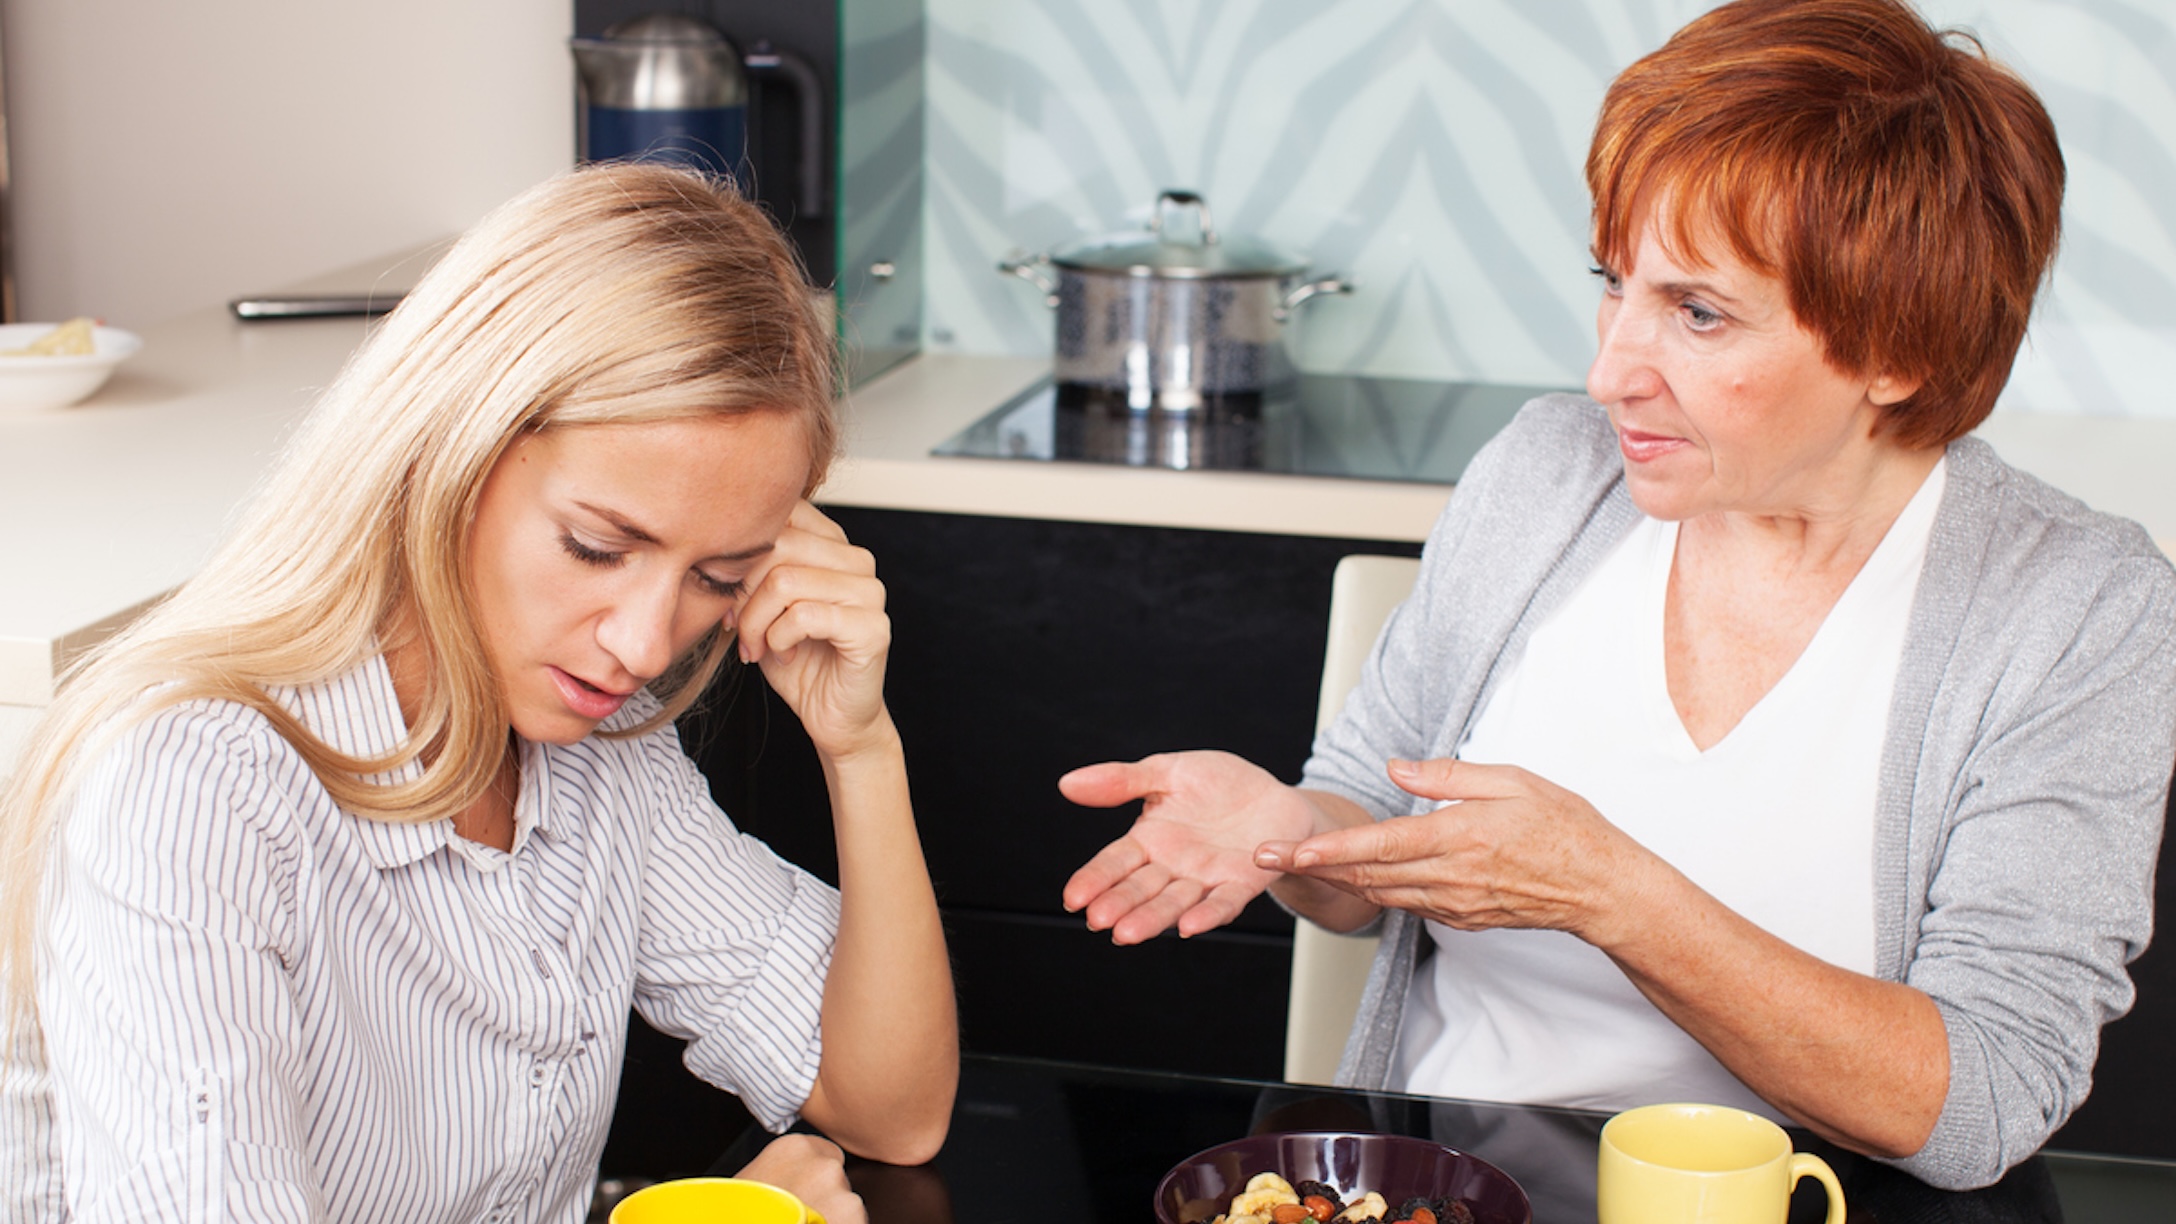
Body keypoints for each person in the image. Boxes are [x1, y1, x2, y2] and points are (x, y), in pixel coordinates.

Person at [1060, 0, 2175, 1193]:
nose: (1607, 374)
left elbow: (1983, 1102)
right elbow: (1362, 845)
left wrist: (1613, 895)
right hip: (1439, 1193)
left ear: (1900, 348)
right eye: (1614, 284)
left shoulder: (2076, 608)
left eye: (1697, 313)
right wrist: (1286, 832)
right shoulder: (1543, 473)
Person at [0, 163, 957, 1222]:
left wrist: (860, 748)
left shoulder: (601, 751)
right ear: (447, 452)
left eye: (717, 579)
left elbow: (889, 1111)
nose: (644, 644)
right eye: (596, 548)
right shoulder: (193, 786)